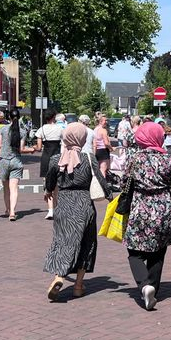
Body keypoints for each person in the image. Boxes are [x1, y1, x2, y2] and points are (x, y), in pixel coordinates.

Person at [121, 121, 171, 310]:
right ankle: (153, 288)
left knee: (134, 251)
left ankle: (144, 284)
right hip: (163, 208)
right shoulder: (169, 159)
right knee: (158, 251)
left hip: (141, 207)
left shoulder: (134, 158)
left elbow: (124, 184)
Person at [43, 124, 111, 300]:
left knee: (63, 241)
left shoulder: (56, 159)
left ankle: (59, 276)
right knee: (86, 244)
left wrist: (48, 191)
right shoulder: (89, 158)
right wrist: (111, 197)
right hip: (84, 203)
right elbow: (101, 181)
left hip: (63, 204)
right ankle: (78, 286)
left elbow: (50, 182)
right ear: (82, 138)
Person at [0, 109, 34, 221]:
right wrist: (31, 150)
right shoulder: (22, 132)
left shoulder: (2, 129)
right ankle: (12, 212)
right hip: (16, 161)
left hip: (4, 161)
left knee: (6, 189)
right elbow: (21, 149)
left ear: (9, 117)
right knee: (14, 189)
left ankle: (7, 209)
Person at [35, 111, 64, 219]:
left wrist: (32, 149)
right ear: (54, 117)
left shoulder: (41, 129)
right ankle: (57, 207)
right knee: (57, 183)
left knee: (48, 184)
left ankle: (50, 210)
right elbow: (65, 142)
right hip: (57, 156)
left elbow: (38, 147)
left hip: (46, 157)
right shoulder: (60, 129)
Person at [93, 112, 113, 176]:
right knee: (103, 169)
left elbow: (94, 142)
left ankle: (98, 184)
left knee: (98, 169)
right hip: (103, 150)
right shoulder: (103, 130)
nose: (106, 122)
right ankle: (103, 184)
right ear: (101, 121)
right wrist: (111, 148)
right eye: (105, 120)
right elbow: (106, 143)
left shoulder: (95, 129)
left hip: (97, 150)